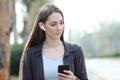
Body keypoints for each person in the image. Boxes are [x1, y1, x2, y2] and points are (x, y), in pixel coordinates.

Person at [19, 3, 88, 80]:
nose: (59, 28)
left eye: (61, 23)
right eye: (53, 24)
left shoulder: (76, 51)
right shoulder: (31, 54)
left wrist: (74, 79)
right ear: (42, 25)